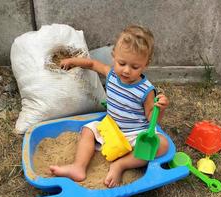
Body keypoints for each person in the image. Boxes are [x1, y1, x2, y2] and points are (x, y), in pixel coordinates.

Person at [50, 25, 169, 188]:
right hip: (111, 128)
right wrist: (72, 61)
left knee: (162, 144)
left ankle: (121, 165)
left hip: (135, 134)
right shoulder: (112, 74)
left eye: (135, 67)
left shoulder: (146, 90)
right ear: (114, 56)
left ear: (145, 64)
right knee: (88, 130)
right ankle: (78, 167)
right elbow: (92, 64)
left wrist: (160, 109)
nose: (126, 70)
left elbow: (151, 119)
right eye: (122, 63)